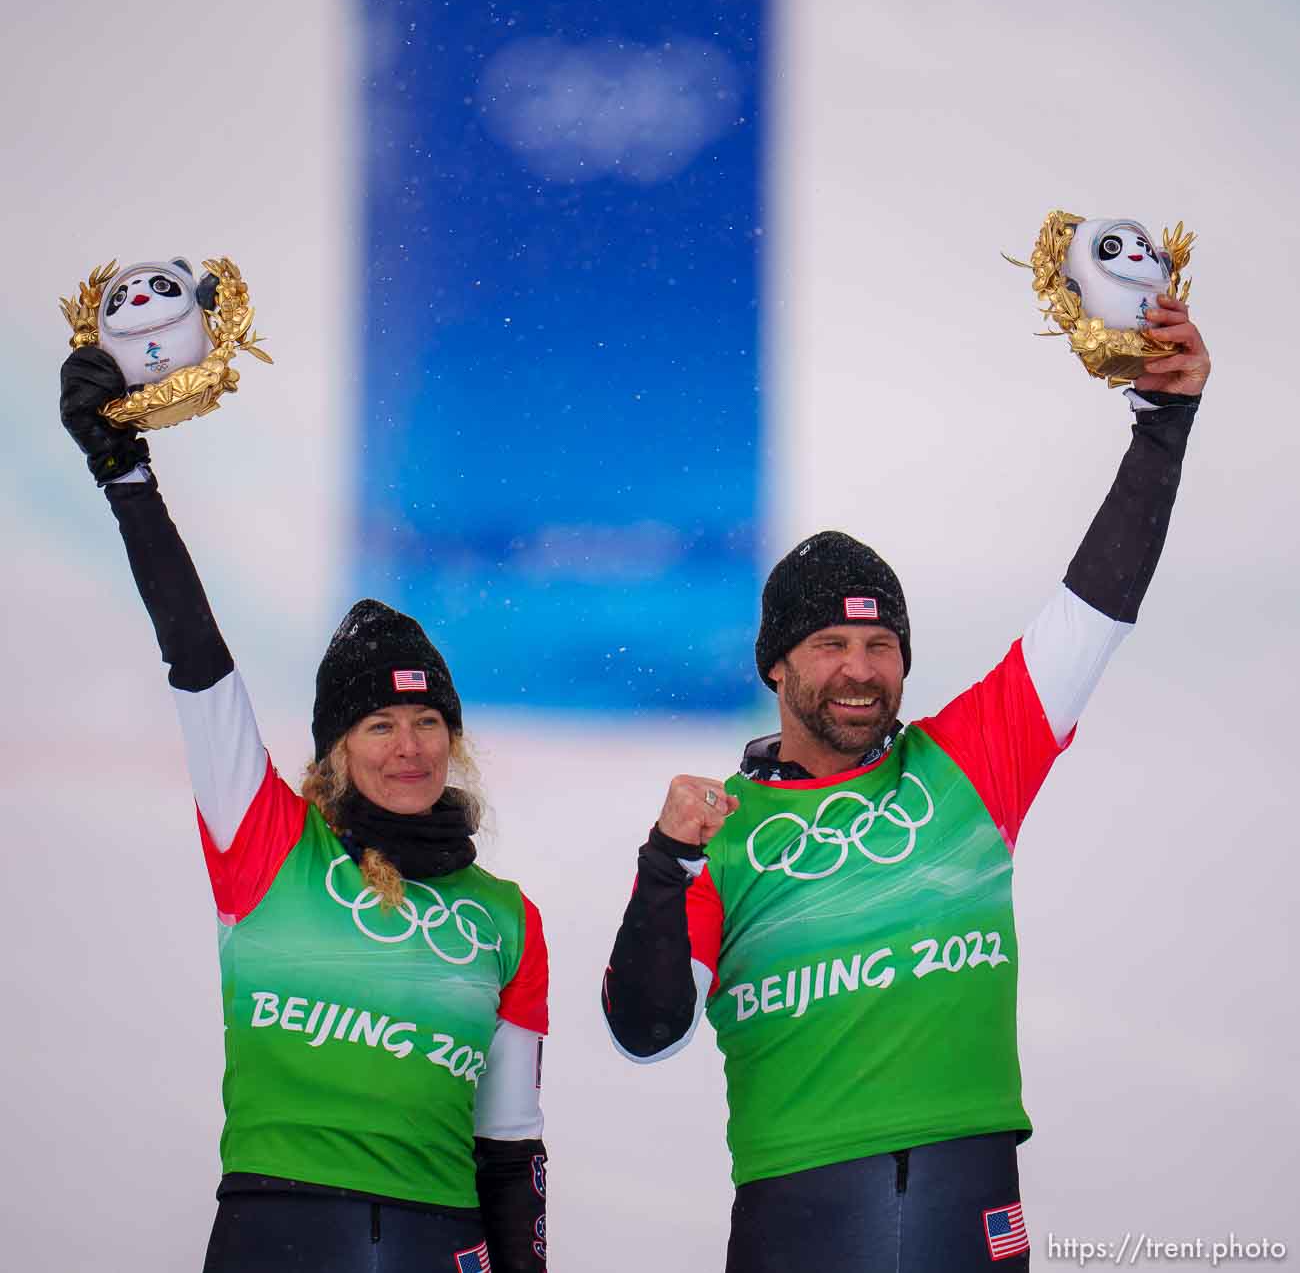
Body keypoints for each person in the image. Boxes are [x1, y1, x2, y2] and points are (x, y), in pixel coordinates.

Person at [601, 295, 1211, 1271]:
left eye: (879, 643)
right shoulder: (724, 827)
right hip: (795, 1204)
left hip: (966, 1193)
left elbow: (1093, 606)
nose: (859, 667)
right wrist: (665, 861)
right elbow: (645, 1028)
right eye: (831, 643)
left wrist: (1162, 424)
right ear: (775, 666)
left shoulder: (969, 759)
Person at [61, 346, 550, 1273]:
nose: (409, 748)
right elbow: (196, 658)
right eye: (378, 724)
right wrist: (126, 475)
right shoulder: (269, 845)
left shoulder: (506, 918)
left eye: (426, 722)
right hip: (274, 1232)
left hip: (438, 1241)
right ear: (334, 749)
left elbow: (511, 1147)